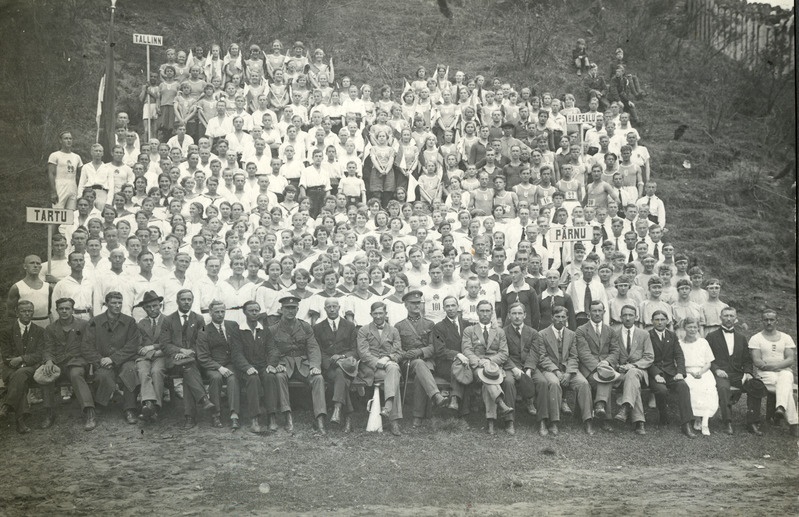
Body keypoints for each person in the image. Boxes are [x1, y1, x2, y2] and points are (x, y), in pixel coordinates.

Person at [81, 291, 142, 425]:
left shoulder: (129, 321)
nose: (117, 306)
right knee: (103, 376)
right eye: (113, 303)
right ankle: (101, 403)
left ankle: (130, 408)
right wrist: (100, 360)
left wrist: (113, 359)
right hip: (102, 361)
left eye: (120, 303)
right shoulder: (95, 322)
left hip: (125, 360)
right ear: (106, 304)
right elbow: (87, 346)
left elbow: (133, 345)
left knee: (130, 371)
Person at [269, 295, 327, 434]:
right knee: (279, 376)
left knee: (318, 378)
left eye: (293, 308)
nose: (290, 311)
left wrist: (314, 366)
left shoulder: (305, 326)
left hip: (303, 364)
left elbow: (313, 347)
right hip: (284, 363)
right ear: (281, 310)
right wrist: (276, 364)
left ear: (297, 309)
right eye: (287, 308)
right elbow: (270, 350)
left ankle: (320, 418)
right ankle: (287, 414)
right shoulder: (273, 329)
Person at [158, 289, 215, 428]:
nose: (186, 302)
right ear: (177, 301)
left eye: (189, 299)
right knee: (187, 368)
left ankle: (190, 417)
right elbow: (164, 343)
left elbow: (202, 341)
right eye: (183, 299)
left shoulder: (199, 319)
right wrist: (180, 350)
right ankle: (202, 399)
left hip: (194, 358)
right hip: (174, 359)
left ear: (192, 301)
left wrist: (190, 352)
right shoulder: (168, 320)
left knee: (188, 369)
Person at [706, 307, 766, 435]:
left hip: (738, 374)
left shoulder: (741, 338)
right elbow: (707, 359)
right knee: (723, 388)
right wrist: (716, 370)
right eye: (726, 316)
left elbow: (747, 360)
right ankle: (727, 422)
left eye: (731, 316)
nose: (728, 319)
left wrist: (749, 373)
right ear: (720, 318)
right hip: (721, 373)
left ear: (735, 318)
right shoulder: (711, 336)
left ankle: (752, 422)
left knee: (755, 385)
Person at [394, 291, 448, 429]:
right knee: (418, 364)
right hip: (408, 363)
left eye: (418, 303)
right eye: (413, 303)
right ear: (406, 305)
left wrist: (420, 352)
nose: (417, 306)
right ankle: (436, 396)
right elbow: (397, 349)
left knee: (420, 374)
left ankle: (417, 417)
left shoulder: (430, 325)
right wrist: (407, 354)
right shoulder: (399, 326)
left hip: (427, 361)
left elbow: (434, 347)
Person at [538, 306, 595, 435]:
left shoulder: (571, 334)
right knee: (554, 383)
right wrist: (557, 371)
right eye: (557, 317)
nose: (560, 320)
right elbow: (542, 357)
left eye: (563, 317)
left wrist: (569, 373)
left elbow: (574, 356)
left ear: (567, 318)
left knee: (583, 383)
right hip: (550, 369)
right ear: (552, 318)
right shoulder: (542, 334)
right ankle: (554, 421)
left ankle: (587, 420)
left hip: (568, 369)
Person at [460, 300, 512, 435]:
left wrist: (488, 361)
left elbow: (504, 353)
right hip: (477, 367)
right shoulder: (469, 330)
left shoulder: (499, 332)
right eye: (481, 311)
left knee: (488, 379)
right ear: (477, 312)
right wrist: (479, 362)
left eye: (487, 311)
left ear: (492, 312)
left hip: (494, 366)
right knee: (487, 377)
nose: (484, 314)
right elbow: (467, 350)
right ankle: (499, 405)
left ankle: (491, 421)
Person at [230, 300, 278, 434]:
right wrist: (247, 367)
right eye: (251, 310)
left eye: (257, 310)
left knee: (269, 377)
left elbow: (273, 349)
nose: (255, 313)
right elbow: (236, 353)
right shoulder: (238, 331)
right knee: (253, 379)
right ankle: (254, 419)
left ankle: (272, 417)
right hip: (244, 368)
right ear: (244, 312)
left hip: (262, 366)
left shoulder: (264, 329)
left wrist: (271, 365)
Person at [748, 310, 799, 436]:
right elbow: (758, 361)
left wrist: (775, 366)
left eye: (771, 319)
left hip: (783, 373)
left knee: (786, 376)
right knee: (786, 384)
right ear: (762, 321)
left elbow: (790, 359)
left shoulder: (786, 337)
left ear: (777, 321)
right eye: (766, 320)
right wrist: (777, 367)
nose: (769, 322)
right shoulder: (756, 338)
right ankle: (793, 423)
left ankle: (781, 407)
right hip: (765, 375)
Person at [648, 310, 697, 438]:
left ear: (667, 321)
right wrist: (656, 374)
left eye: (662, 319)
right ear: (652, 321)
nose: (659, 322)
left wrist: (680, 372)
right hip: (655, 373)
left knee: (683, 386)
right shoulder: (647, 336)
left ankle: (686, 423)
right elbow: (646, 358)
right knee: (661, 390)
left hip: (671, 372)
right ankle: (663, 416)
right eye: (657, 319)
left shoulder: (672, 335)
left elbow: (679, 355)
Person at [312, 298, 358, 432]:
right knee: (340, 375)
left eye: (334, 306)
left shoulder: (350, 326)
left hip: (348, 366)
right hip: (330, 368)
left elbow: (355, 350)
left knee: (341, 373)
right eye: (328, 307)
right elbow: (318, 350)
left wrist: (342, 357)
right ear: (324, 309)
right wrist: (332, 361)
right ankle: (345, 415)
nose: (332, 309)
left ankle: (337, 409)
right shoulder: (318, 327)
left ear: (339, 308)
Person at [503, 302, 548, 436]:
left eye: (520, 313)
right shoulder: (503, 332)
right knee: (509, 382)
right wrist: (514, 369)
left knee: (542, 382)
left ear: (525, 315)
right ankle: (509, 420)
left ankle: (542, 420)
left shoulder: (533, 332)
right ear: (509, 315)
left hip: (529, 367)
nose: (517, 317)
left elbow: (535, 353)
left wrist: (528, 369)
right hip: (511, 366)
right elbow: (504, 353)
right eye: (514, 314)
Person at [196, 300, 242, 429]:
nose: (220, 315)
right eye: (217, 312)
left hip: (230, 363)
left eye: (222, 311)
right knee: (215, 378)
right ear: (210, 313)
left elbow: (239, 347)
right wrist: (219, 368)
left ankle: (234, 415)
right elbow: (203, 357)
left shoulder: (233, 325)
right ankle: (215, 414)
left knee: (232, 378)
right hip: (213, 365)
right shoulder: (204, 330)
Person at [575, 300, 620, 432]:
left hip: (606, 365)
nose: (597, 313)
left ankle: (600, 406)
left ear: (604, 312)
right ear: (589, 314)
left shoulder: (610, 331)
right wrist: (598, 367)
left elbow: (615, 351)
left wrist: (607, 362)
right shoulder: (581, 330)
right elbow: (583, 353)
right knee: (605, 378)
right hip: (589, 367)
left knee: (606, 377)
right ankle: (605, 417)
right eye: (594, 311)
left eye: (599, 311)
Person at [0, 301, 44, 433]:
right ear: (17, 312)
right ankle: (20, 421)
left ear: (33, 312)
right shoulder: (6, 332)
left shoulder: (39, 331)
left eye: (30, 311)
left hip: (31, 369)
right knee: (19, 378)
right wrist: (21, 362)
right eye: (24, 311)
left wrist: (22, 359)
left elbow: (39, 354)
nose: (27, 313)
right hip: (11, 370)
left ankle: (7, 405)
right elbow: (7, 357)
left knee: (20, 375)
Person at [612, 305, 654, 435]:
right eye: (625, 315)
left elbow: (649, 356)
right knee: (632, 383)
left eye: (631, 315)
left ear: (636, 317)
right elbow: (611, 354)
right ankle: (639, 422)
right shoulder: (615, 334)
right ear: (620, 317)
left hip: (639, 371)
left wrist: (634, 365)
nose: (628, 318)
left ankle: (625, 408)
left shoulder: (644, 334)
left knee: (633, 373)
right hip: (620, 373)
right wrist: (618, 366)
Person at [679, 317, 718, 436]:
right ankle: (697, 418)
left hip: (703, 371)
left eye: (695, 327)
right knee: (693, 388)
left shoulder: (703, 342)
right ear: (684, 328)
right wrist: (690, 373)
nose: (692, 330)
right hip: (687, 372)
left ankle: (705, 421)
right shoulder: (679, 343)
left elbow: (708, 363)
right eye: (689, 327)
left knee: (708, 388)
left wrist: (700, 373)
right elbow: (679, 363)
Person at [7, 255, 52, 327]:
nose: (35, 266)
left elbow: (50, 311)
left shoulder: (48, 287)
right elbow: (11, 312)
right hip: (25, 325)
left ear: (41, 267)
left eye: (38, 263)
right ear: (25, 266)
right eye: (32, 263)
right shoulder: (17, 287)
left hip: (44, 324)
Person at [48, 130, 83, 209]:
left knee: (71, 215)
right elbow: (51, 174)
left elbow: (83, 173)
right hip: (60, 186)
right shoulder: (55, 155)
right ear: (60, 141)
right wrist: (53, 191)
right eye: (66, 138)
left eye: (70, 139)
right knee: (58, 213)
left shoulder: (77, 157)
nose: (68, 140)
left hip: (73, 187)